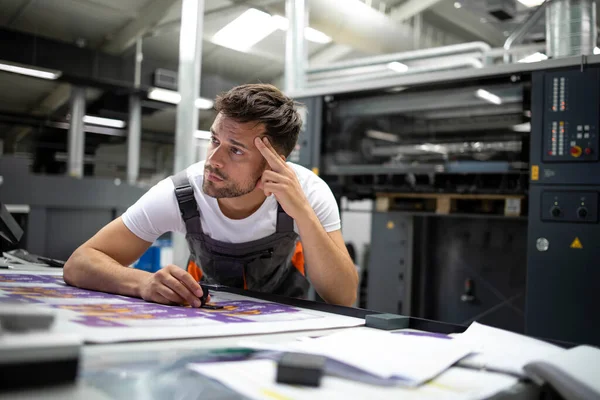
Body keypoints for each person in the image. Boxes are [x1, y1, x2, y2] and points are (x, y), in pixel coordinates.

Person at [64, 84, 358, 307]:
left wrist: (303, 214)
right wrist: (143, 282)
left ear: (274, 161)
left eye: (235, 150)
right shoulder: (182, 194)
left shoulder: (310, 193)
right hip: (204, 318)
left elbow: (343, 297)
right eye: (214, 139)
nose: (213, 160)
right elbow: (80, 262)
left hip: (284, 329)